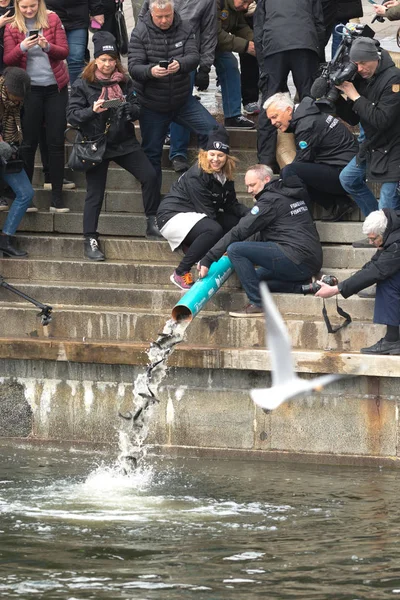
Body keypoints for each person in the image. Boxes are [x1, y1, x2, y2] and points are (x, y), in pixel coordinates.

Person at [67, 31, 161, 261]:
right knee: (94, 194)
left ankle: (152, 221)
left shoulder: (125, 81)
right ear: (95, 60)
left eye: (112, 60)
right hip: (96, 144)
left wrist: (130, 109)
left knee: (149, 175)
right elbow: (72, 116)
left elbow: (138, 107)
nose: (108, 64)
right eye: (103, 60)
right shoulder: (83, 84)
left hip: (123, 141)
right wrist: (93, 110)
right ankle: (90, 238)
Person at [198, 164, 323, 316]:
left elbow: (240, 230)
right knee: (254, 280)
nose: (249, 190)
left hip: (297, 257)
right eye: (247, 186)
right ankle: (305, 286)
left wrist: (208, 258)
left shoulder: (269, 201)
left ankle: (257, 304)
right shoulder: (286, 193)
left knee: (235, 249)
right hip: (310, 259)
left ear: (267, 179)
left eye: (252, 185)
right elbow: (263, 232)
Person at [128, 0, 218, 195]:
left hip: (181, 100)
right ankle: (152, 210)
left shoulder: (185, 27)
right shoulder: (140, 31)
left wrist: (181, 64)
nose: (164, 20)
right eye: (159, 17)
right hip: (152, 103)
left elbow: (194, 56)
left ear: (173, 11)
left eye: (167, 16)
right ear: (151, 14)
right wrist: (150, 71)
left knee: (214, 131)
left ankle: (204, 184)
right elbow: (133, 67)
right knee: (151, 154)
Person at [156, 127, 249, 290]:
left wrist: (252, 214)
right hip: (172, 215)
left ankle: (201, 248)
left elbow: (231, 204)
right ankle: (180, 272)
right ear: (205, 154)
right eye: (211, 154)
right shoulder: (197, 175)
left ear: (227, 157)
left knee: (236, 222)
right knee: (214, 229)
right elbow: (207, 213)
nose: (215, 159)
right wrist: (217, 249)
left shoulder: (224, 175)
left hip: (196, 216)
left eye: (220, 155)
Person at [4, 0, 69, 212]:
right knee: (28, 144)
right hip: (30, 92)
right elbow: (8, 60)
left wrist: (47, 46)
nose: (29, 10)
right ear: (17, 6)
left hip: (55, 88)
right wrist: (22, 47)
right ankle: (27, 197)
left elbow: (64, 52)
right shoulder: (12, 24)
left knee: (56, 142)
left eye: (32, 6)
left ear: (39, 4)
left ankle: (57, 198)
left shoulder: (52, 18)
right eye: (24, 7)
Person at [337, 37, 400, 231]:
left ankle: (386, 239)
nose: (361, 68)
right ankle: (377, 228)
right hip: (373, 146)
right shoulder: (360, 77)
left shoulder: (394, 78)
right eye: (356, 64)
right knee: (348, 179)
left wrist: (355, 95)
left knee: (387, 201)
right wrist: (338, 99)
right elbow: (355, 119)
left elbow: (382, 119)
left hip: (394, 147)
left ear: (376, 58)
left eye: (364, 63)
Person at [316, 209, 400, 355]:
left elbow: (377, 270)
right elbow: (375, 264)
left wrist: (336, 290)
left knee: (387, 281)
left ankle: (392, 341)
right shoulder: (392, 229)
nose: (370, 242)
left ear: (384, 233)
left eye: (373, 239)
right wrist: (342, 284)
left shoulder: (397, 243)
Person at [254, 0, 324, 170]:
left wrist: (263, 63)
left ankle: (265, 162)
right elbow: (320, 23)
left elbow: (258, 27)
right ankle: (312, 154)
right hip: (305, 43)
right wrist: (317, 54)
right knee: (309, 101)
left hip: (274, 45)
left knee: (269, 102)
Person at [265, 93, 358, 221]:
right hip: (342, 168)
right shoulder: (306, 115)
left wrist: (277, 185)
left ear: (288, 110)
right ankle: (340, 203)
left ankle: (301, 219)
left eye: (275, 117)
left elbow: (301, 161)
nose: (273, 122)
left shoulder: (306, 124)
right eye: (270, 119)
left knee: (290, 172)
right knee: (294, 173)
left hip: (346, 174)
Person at [0, 67, 34, 257]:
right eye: (15, 96)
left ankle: (6, 239)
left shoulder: (18, 103)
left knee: (26, 193)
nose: (18, 100)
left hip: (8, 151)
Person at [215, 0, 257, 129]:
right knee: (187, 76)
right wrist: (245, 46)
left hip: (216, 46)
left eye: (248, 4)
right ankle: (173, 125)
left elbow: (240, 26)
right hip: (195, 44)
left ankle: (233, 116)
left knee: (230, 66)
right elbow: (215, 33)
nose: (245, 7)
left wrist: (255, 41)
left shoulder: (236, 8)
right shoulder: (215, 3)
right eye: (244, 2)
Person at [45, 0, 104, 84]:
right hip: (50, 16)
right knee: (48, 57)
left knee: (76, 59)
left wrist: (97, 11)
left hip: (77, 18)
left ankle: (77, 92)